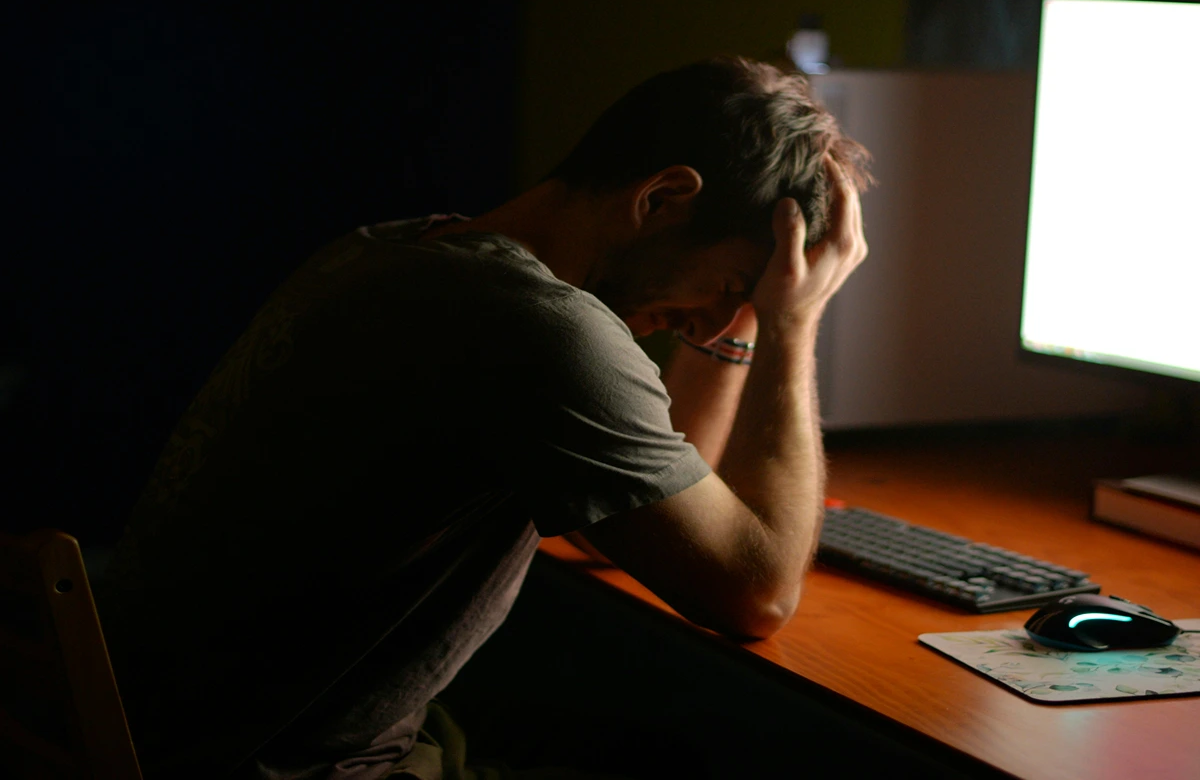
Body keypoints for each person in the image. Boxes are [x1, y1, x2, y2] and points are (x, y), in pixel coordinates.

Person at [95, 56, 870, 779]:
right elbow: (757, 594)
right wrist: (795, 326)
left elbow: (653, 513)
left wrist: (744, 318)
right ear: (662, 198)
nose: (711, 325)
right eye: (732, 286)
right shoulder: (543, 330)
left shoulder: (394, 254)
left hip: (148, 731)